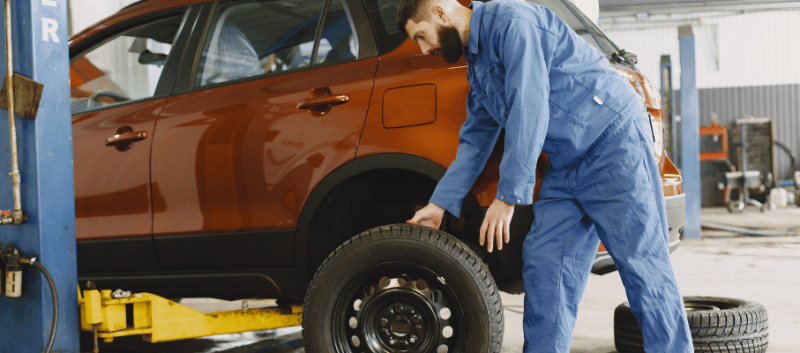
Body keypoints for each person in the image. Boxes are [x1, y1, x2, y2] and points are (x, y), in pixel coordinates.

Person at [397, 0, 694, 351]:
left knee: (644, 268)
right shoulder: (476, 62)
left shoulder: (513, 22)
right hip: (567, 163)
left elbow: (529, 105)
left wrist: (507, 197)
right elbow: (476, 138)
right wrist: (441, 203)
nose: (424, 48)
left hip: (613, 146)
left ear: (440, 12)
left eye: (421, 35)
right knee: (546, 267)